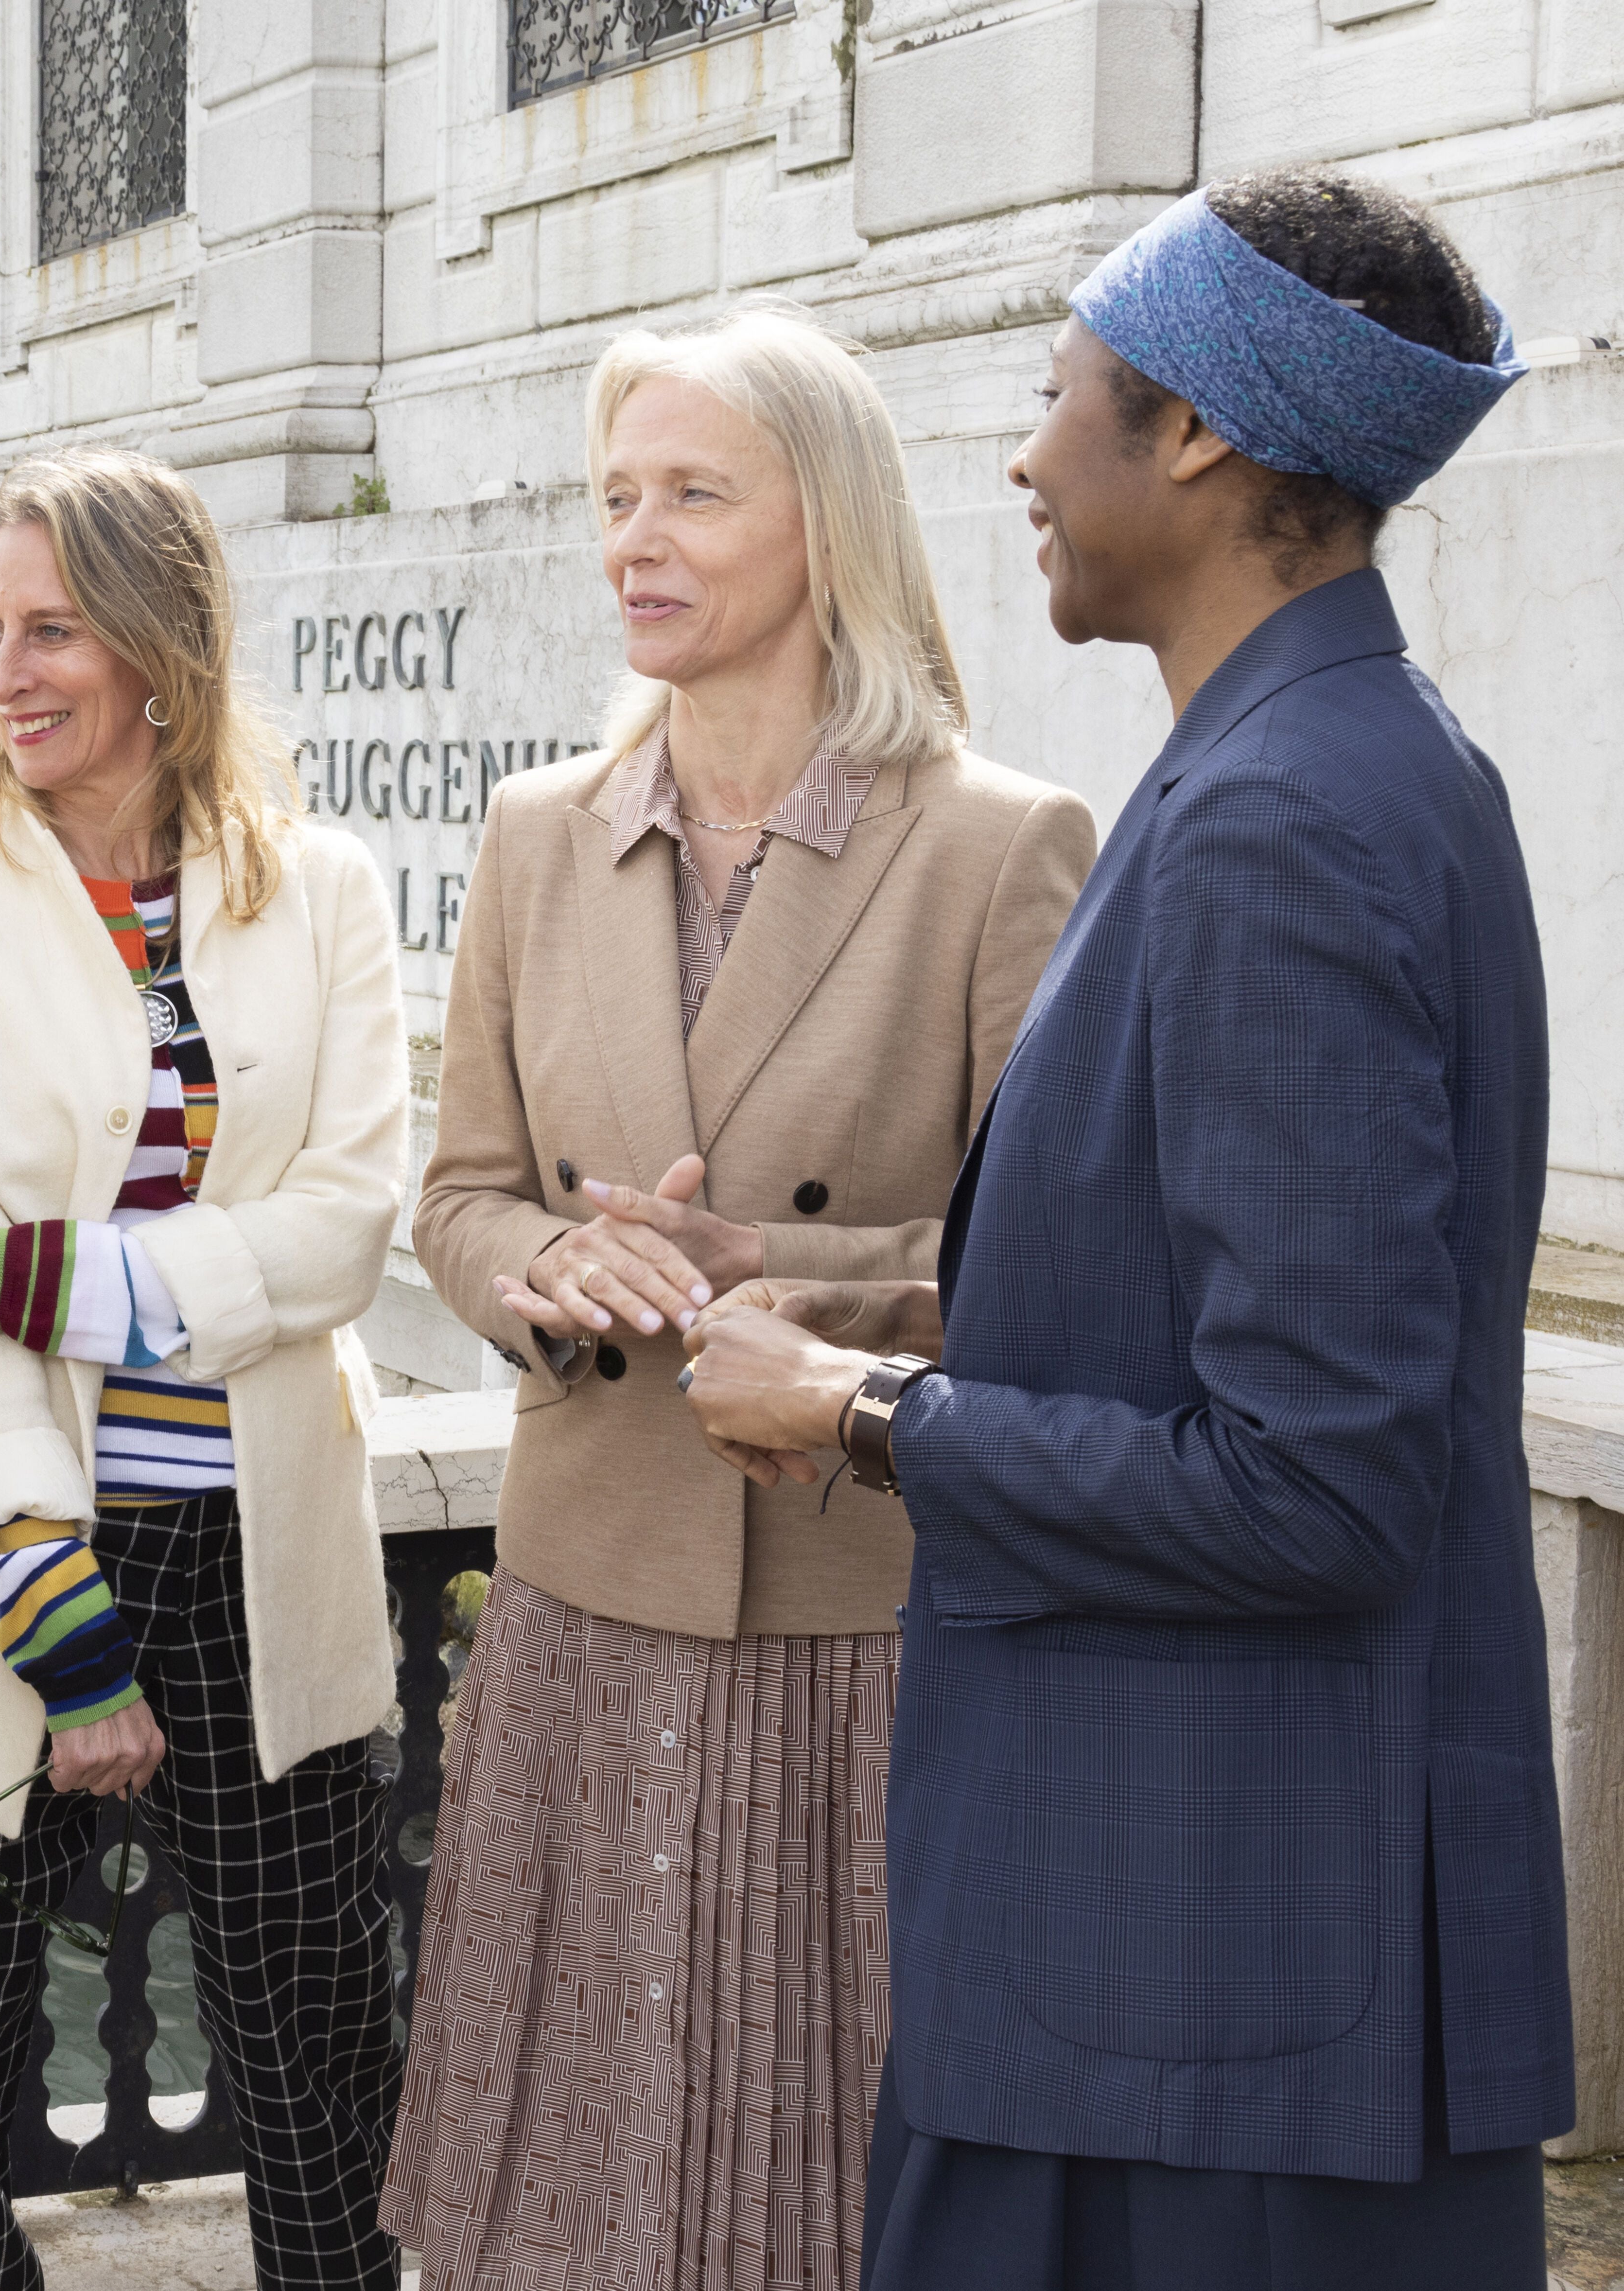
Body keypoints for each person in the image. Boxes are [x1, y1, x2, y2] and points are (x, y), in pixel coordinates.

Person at [681, 170, 1564, 2290]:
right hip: (1213, 1980)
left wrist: (872, 1401)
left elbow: (1320, 1479)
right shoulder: (1348, 759)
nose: (1020, 452)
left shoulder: (1278, 816)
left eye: (1060, 390)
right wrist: (881, 1307)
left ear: (1199, 437)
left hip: (1204, 2008)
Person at [383, 306, 1094, 2290]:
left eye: (694, 490)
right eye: (617, 497)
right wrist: (548, 1263)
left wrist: (764, 1277)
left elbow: (1062, 1266)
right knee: (573, 2182)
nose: (636, 536)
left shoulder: (1000, 842)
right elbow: (455, 1195)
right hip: (584, 1593)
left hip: (855, 1614)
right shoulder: (538, 833)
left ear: (830, 526)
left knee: (835, 2178)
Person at [0, 446, 412, 2289]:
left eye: (52, 627)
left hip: (260, 1562)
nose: (6, 671)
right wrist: (65, 1637)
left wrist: (23, 1267)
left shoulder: (324, 893)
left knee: (318, 2087)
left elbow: (346, 1232)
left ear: (160, 645)